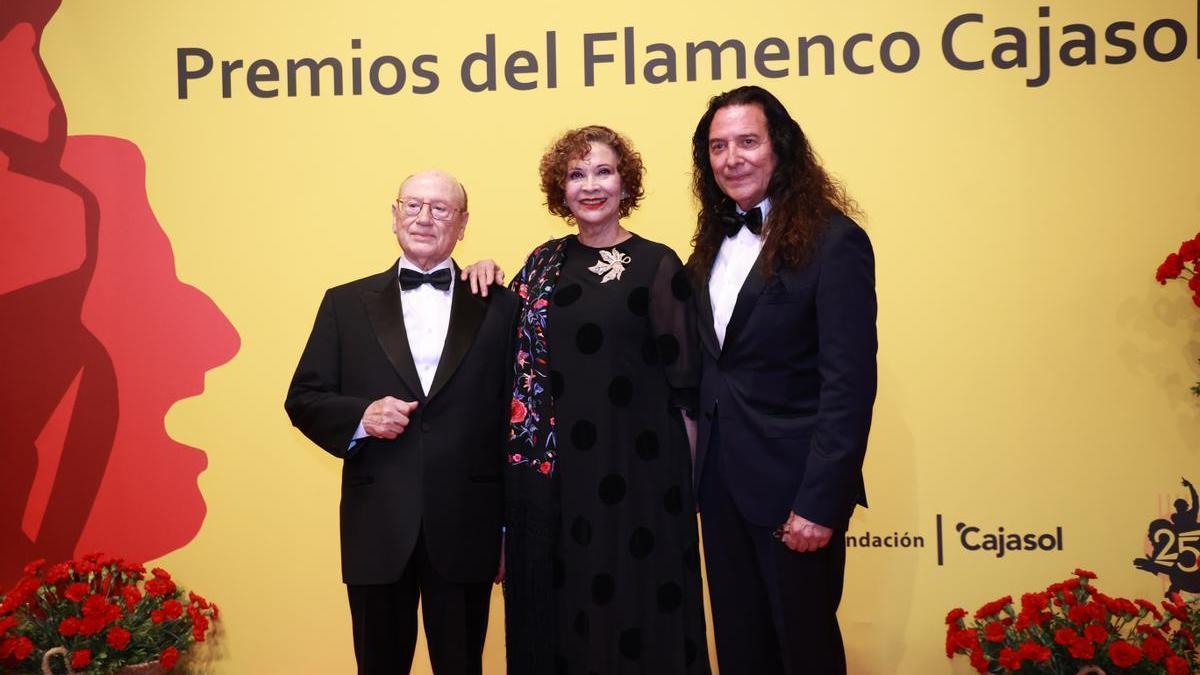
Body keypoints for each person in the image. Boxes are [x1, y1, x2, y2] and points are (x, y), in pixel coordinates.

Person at [469, 126, 710, 674]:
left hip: (643, 487)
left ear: (626, 184)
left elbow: (687, 390)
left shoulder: (657, 263)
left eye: (603, 171)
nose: (591, 185)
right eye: (577, 175)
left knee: (638, 623)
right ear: (562, 189)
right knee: (563, 628)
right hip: (554, 491)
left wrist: (692, 492)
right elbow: (510, 359)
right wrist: (481, 271)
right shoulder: (542, 262)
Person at [284, 170, 519, 675]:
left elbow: (515, 423)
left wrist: (506, 528)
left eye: (440, 209)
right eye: (413, 206)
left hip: (467, 529)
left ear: (462, 225)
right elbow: (303, 398)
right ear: (394, 216)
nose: (424, 218)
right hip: (377, 529)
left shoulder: (501, 306)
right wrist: (362, 418)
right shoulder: (344, 304)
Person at [687, 85, 877, 674]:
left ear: (781, 148)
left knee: (805, 652)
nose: (731, 158)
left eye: (747, 141)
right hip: (719, 488)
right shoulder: (712, 239)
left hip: (795, 495)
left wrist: (819, 503)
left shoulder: (835, 242)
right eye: (717, 146)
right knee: (742, 652)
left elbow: (848, 384)